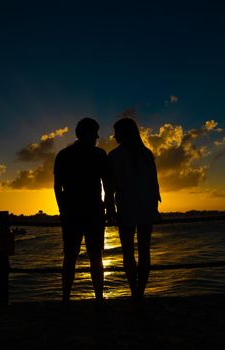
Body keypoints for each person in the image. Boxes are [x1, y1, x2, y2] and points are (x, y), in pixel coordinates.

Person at [54, 117, 114, 303]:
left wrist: (63, 210)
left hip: (76, 212)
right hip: (91, 211)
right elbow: (108, 184)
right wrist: (109, 207)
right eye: (94, 132)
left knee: (72, 256)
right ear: (85, 133)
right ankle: (97, 298)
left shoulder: (64, 155)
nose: (97, 136)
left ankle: (67, 298)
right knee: (93, 256)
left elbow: (58, 187)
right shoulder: (99, 155)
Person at [108, 117, 161, 302]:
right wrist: (155, 207)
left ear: (122, 134)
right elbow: (154, 184)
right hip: (146, 206)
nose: (114, 136)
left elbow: (110, 186)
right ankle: (140, 292)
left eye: (116, 133)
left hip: (126, 207)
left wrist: (110, 209)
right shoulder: (146, 153)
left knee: (128, 251)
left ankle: (134, 291)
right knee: (144, 250)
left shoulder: (114, 156)